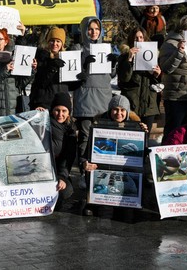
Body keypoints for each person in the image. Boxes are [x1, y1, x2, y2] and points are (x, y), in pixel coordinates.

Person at [80, 95, 148, 216]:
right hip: (103, 171)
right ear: (109, 110)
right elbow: (88, 150)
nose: (119, 113)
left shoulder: (136, 126)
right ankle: (92, 202)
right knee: (103, 213)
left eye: (122, 110)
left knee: (126, 214)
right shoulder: (97, 125)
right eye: (115, 109)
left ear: (127, 112)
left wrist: (144, 134)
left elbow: (143, 154)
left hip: (125, 172)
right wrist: (85, 162)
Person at [71, 16, 117, 188]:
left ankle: (101, 171)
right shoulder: (77, 48)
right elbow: (72, 74)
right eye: (90, 29)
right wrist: (83, 65)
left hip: (104, 98)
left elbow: (110, 75)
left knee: (102, 139)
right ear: (84, 31)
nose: (93, 32)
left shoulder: (106, 48)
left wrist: (113, 64)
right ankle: (84, 171)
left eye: (97, 29)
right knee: (85, 137)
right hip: (85, 99)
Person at [158, 15, 187, 139]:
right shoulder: (169, 44)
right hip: (176, 98)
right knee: (174, 131)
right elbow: (166, 68)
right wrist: (179, 52)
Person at [117, 27, 161, 132]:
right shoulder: (124, 56)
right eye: (136, 38)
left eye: (141, 37)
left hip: (149, 105)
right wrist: (129, 59)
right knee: (131, 135)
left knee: (146, 136)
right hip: (132, 103)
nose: (139, 40)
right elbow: (124, 79)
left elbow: (158, 84)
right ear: (131, 40)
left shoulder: (153, 55)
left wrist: (157, 75)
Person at [45, 92, 77, 209]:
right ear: (52, 110)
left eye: (64, 111)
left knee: (66, 190)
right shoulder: (44, 124)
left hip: (59, 172)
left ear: (69, 112)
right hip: (43, 172)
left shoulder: (71, 130)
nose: (60, 114)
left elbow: (68, 158)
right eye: (57, 110)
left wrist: (62, 178)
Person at [29, 26, 69, 111]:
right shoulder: (41, 56)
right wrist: (52, 68)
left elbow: (69, 84)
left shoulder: (67, 59)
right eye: (52, 41)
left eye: (58, 41)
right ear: (48, 42)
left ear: (62, 44)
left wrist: (81, 78)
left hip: (60, 102)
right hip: (43, 102)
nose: (55, 44)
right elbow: (41, 82)